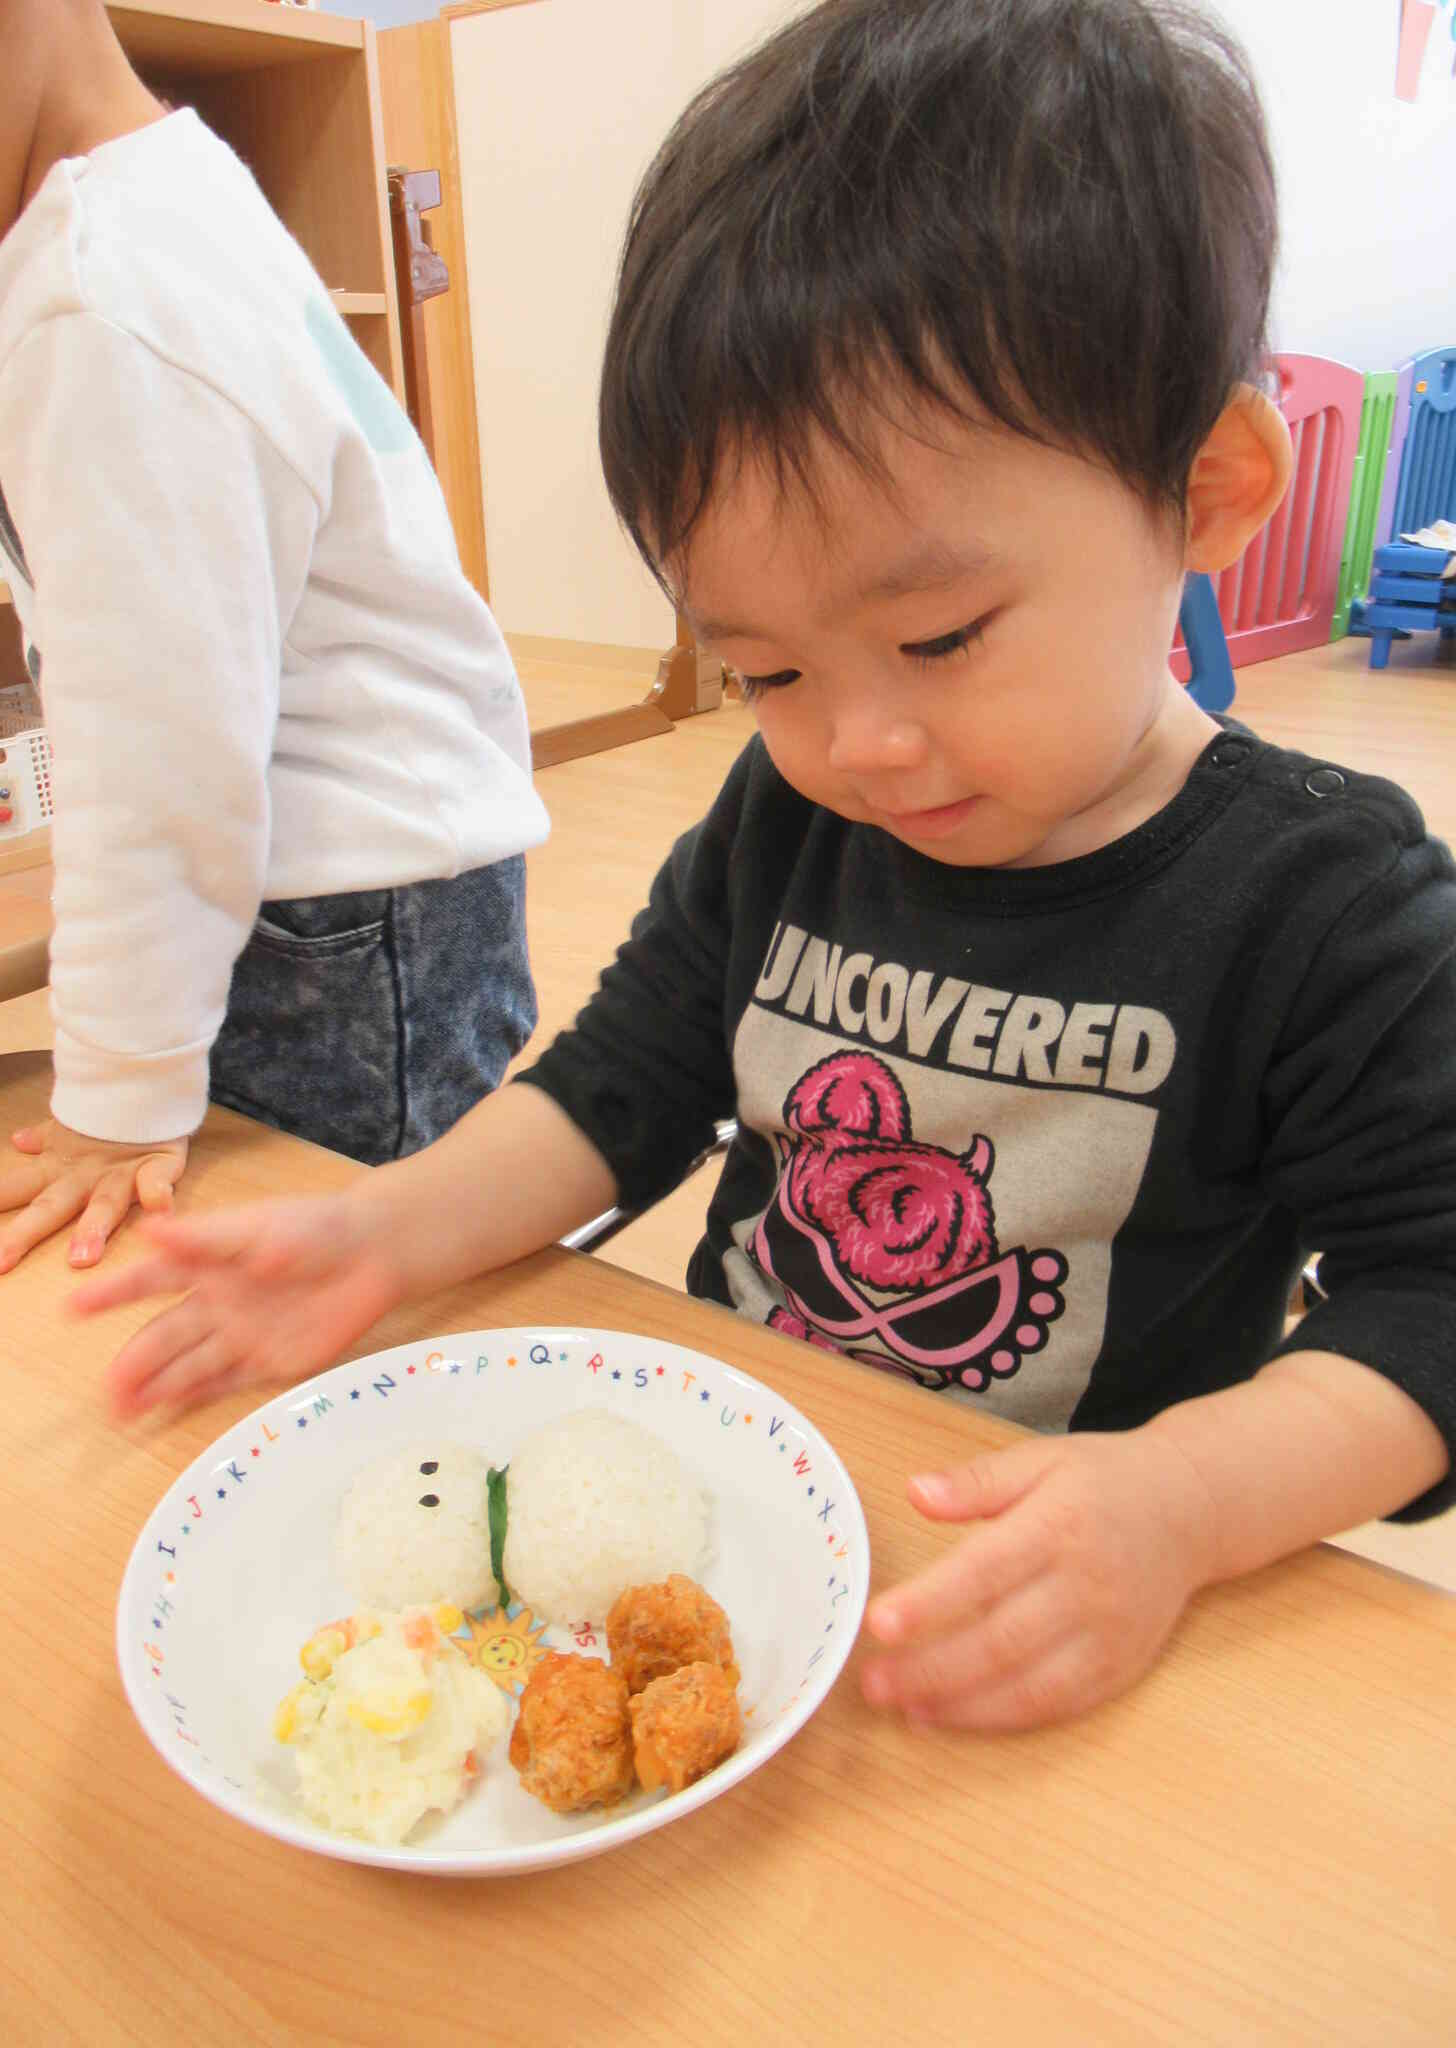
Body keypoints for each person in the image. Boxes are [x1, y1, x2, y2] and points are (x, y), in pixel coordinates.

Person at [76, 0, 1456, 1734]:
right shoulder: (795, 813)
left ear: (1208, 489)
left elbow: (1432, 1298)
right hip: (738, 1520)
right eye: (769, 669)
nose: (853, 744)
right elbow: (624, 1081)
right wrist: (380, 1230)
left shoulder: (1324, 904)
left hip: (1038, 1589)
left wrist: (1181, 1504)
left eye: (940, 635)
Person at [0, 0, 548, 1274]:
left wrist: (117, 1094)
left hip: (333, 924)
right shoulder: (175, 201)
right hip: (390, 897)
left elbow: (158, 759)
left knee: (326, 1285)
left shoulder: (101, 301)